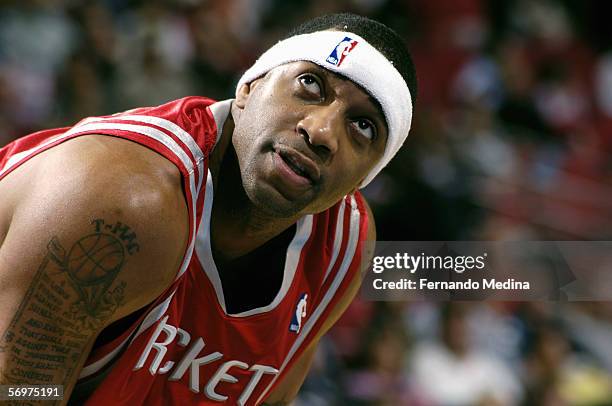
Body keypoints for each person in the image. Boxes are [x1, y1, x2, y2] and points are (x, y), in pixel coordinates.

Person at [0, 12, 416, 405]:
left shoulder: (342, 248)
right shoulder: (125, 202)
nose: (321, 131)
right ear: (249, 87)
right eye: (310, 85)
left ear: (365, 178)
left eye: (363, 126)